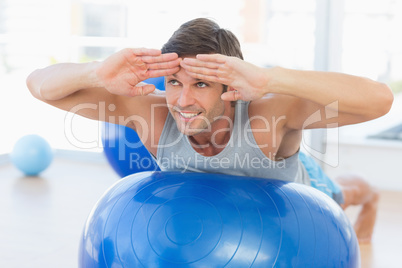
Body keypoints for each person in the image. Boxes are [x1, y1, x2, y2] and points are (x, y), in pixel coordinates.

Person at [26, 18, 392, 243]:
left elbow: (379, 100)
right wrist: (95, 73)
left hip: (292, 194)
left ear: (229, 87)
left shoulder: (270, 114)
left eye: (200, 84)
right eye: (173, 82)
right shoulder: (153, 114)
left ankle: (370, 195)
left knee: (341, 194)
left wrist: (269, 78)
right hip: (208, 219)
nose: (182, 101)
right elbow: (38, 85)